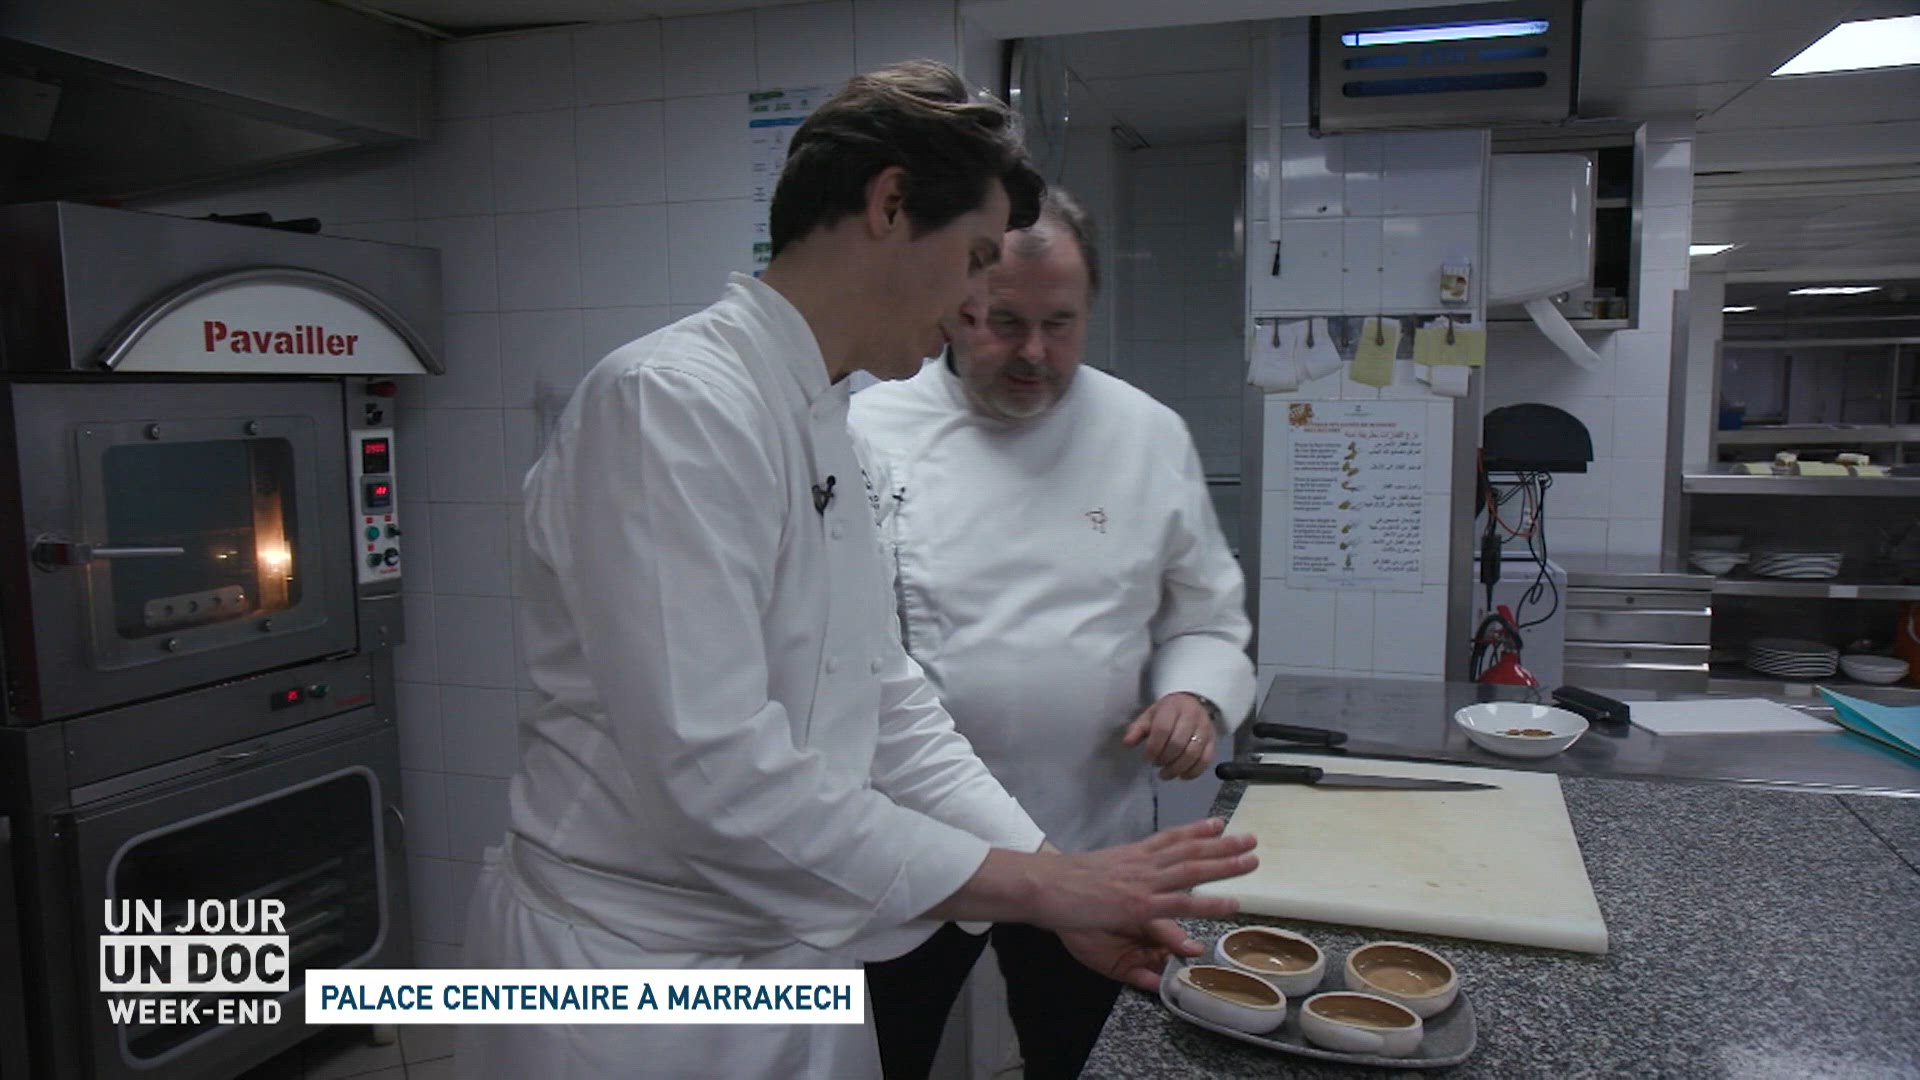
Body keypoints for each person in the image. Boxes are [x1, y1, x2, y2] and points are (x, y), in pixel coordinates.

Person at [458, 63, 1256, 1079]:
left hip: (789, 953)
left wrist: (1054, 884)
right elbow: (710, 772)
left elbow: (886, 702)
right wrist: (1037, 888)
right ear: (889, 206)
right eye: (974, 259)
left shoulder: (829, 423)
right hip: (635, 972)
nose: (975, 305)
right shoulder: (672, 404)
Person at [850, 188, 1257, 1079]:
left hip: (1090, 839)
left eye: (1060, 324)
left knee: (1082, 1058)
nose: (1034, 352)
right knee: (882, 1058)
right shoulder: (867, 429)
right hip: (915, 853)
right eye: (1005, 323)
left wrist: (1193, 694)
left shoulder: (1146, 433)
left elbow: (1208, 615)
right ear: (957, 308)